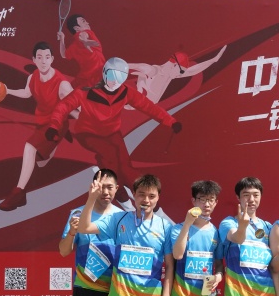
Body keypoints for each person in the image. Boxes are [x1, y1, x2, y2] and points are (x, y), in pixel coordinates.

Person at [46, 57, 182, 202]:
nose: (115, 81)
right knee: (109, 153)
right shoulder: (86, 90)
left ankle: (139, 188)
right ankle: (115, 185)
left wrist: (170, 121)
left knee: (124, 163)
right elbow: (64, 106)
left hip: (112, 132)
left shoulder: (125, 92)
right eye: (112, 75)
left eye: (121, 77)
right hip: (88, 132)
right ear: (104, 73)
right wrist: (54, 126)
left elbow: (148, 106)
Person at [0, 42, 76, 211]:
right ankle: (58, 140)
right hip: (41, 124)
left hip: (56, 124)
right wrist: (7, 90)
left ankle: (18, 193)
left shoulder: (62, 84)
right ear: (34, 59)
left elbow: (76, 105)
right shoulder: (33, 77)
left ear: (52, 59)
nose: (43, 61)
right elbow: (27, 93)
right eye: (39, 57)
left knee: (30, 147)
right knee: (41, 163)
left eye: (47, 57)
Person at [128, 46, 227, 103]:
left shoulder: (170, 75)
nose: (181, 74)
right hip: (135, 103)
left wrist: (213, 60)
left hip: (145, 105)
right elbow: (135, 66)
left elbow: (193, 71)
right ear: (174, 65)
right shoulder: (153, 71)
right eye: (182, 71)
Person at [57, 14, 106, 90]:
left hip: (86, 78)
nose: (87, 23)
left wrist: (62, 39)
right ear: (76, 28)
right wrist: (84, 41)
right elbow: (82, 34)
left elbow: (63, 54)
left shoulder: (74, 46)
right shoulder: (86, 33)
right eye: (83, 21)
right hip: (95, 76)